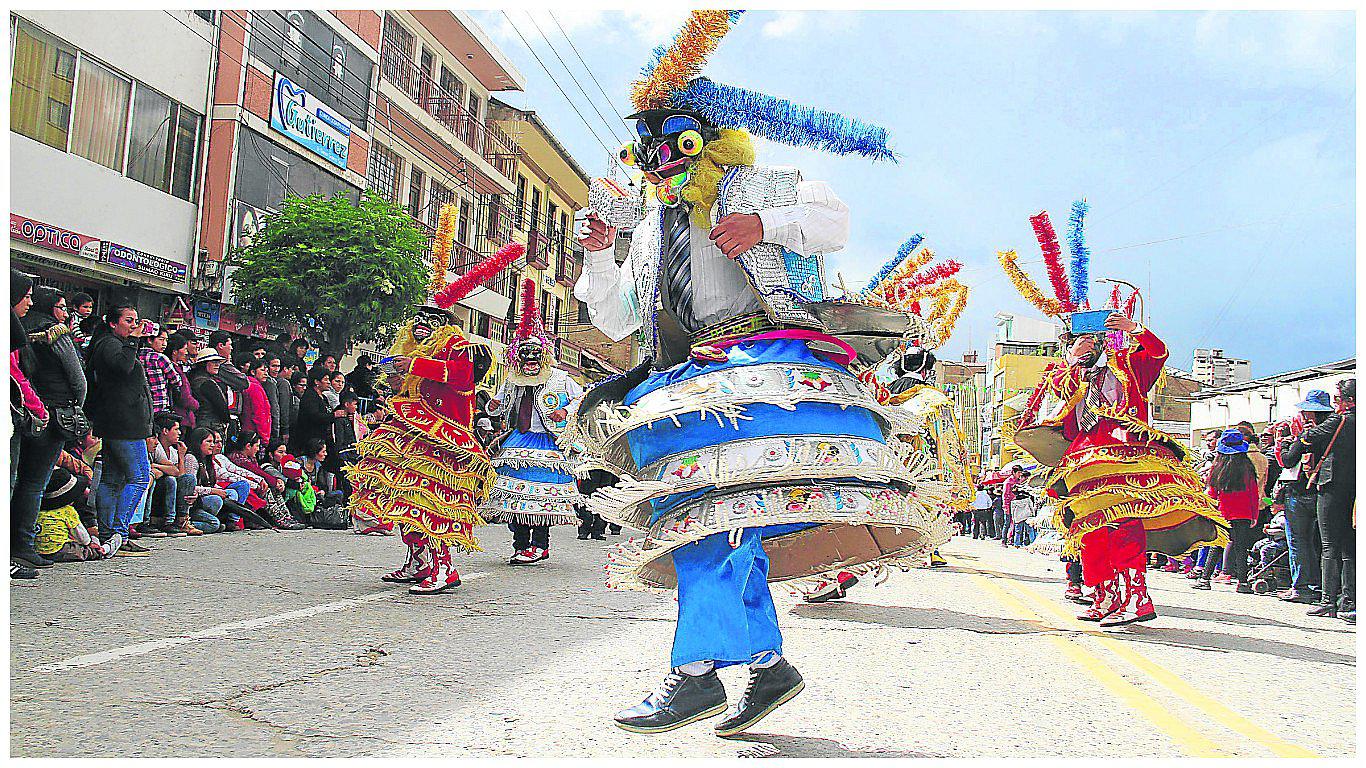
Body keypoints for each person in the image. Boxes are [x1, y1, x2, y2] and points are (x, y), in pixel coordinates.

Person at [572, 13, 928, 736]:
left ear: (701, 132)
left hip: (756, 372)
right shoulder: (646, 229)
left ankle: (699, 673)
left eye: (672, 140)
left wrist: (768, 229)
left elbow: (836, 221)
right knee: (717, 522)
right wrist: (601, 253)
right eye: (647, 149)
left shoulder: (753, 185)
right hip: (683, 382)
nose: (660, 159)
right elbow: (611, 322)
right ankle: (765, 666)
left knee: (714, 519)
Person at [1006, 208, 1226, 628]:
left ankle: (1135, 597)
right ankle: (1104, 595)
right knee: (1091, 530)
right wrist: (1072, 361)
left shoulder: (1129, 364)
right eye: (1079, 337)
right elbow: (1053, 409)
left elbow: (1158, 352)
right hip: (1085, 461)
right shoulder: (1072, 374)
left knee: (1123, 525)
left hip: (1125, 455)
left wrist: (1134, 328)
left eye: (1092, 336)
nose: (1086, 343)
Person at [347, 240, 522, 593]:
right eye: (418, 320)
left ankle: (445, 568)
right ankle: (417, 561)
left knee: (434, 502)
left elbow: (461, 377)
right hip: (408, 432)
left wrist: (417, 366)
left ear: (445, 324)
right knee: (401, 499)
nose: (422, 325)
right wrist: (399, 378)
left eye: (431, 320)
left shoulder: (462, 348)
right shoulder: (409, 351)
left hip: (444, 439)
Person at [483, 279, 583, 565]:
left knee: (541, 495)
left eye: (535, 358)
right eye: (525, 358)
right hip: (518, 439)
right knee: (514, 495)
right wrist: (492, 405)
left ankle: (540, 544)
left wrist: (565, 412)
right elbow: (498, 404)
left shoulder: (560, 378)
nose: (530, 363)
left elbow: (581, 400)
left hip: (548, 442)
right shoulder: (513, 379)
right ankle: (519, 543)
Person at [13, 287, 88, 569]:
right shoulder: (55, 333)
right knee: (34, 483)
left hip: (23, 411)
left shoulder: (17, 327)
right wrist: (76, 409)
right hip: (53, 414)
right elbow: (78, 380)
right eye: (61, 307)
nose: (65, 313)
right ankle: (24, 544)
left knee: (17, 480)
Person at [84, 303, 155, 557]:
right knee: (139, 477)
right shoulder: (110, 344)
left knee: (113, 479)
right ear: (113, 323)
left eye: (136, 321)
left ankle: (108, 533)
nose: (134, 326)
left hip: (120, 422)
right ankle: (119, 531)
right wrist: (133, 342)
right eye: (128, 321)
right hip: (123, 424)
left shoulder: (115, 344)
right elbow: (123, 367)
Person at [1283, 379, 1355, 621]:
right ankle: (1348, 599)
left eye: (1338, 399)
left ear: (1349, 401)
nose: (1336, 404)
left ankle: (1327, 601)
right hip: (1355, 488)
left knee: (1329, 545)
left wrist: (1296, 436)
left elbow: (1299, 448)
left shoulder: (1340, 421)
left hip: (1332, 486)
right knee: (1350, 546)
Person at [1274, 394, 1330, 603]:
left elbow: (1288, 461)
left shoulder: (1308, 433)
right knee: (1323, 544)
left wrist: (1285, 443)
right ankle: (1323, 589)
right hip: (1324, 493)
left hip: (1299, 493)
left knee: (1298, 541)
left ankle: (1302, 586)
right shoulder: (1334, 431)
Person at [1194, 429, 1261, 593]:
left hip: (1223, 513)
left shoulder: (1217, 468)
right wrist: (1254, 515)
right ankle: (1243, 583)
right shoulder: (1248, 468)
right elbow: (1253, 494)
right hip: (1244, 514)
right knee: (1241, 548)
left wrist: (1208, 512)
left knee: (1217, 545)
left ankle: (1205, 579)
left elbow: (1211, 493)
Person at [144, 412, 192, 537]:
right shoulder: (156, 446)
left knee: (188, 479)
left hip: (168, 492)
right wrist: (163, 469)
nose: (180, 433)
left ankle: (181, 520)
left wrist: (181, 457)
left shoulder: (173, 451)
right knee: (170, 480)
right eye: (176, 429)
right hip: (158, 492)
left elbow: (179, 474)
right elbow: (173, 473)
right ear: (165, 431)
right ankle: (166, 521)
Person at [289, 369, 333, 457]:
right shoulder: (310, 396)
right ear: (317, 381)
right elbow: (314, 416)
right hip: (309, 439)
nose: (329, 382)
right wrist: (334, 415)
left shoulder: (323, 397)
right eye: (326, 379)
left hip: (321, 437)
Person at [189, 349, 232, 434]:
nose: (217, 365)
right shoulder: (206, 382)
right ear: (204, 364)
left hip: (202, 423)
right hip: (210, 425)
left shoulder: (195, 379)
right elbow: (221, 407)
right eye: (213, 362)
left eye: (218, 362)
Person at [164, 332, 199, 429]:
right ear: (175, 351)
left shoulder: (178, 368)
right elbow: (184, 397)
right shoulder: (173, 370)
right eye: (184, 349)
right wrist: (197, 405)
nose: (186, 352)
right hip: (181, 419)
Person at [242, 358, 273, 443]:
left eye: (267, 371)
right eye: (262, 370)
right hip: (255, 433)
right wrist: (265, 437)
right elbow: (259, 414)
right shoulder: (254, 388)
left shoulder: (248, 385)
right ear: (252, 372)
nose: (266, 373)